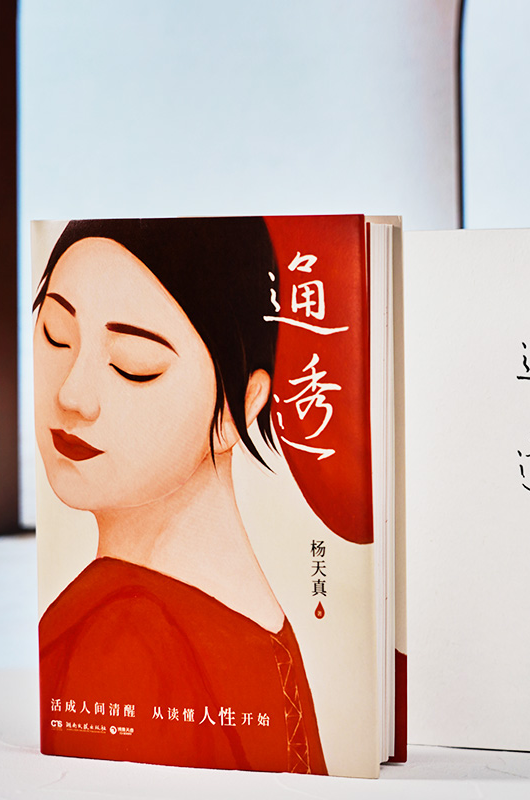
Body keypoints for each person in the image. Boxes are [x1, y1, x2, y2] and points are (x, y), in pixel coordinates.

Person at [34, 217, 327, 774]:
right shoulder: (261, 625)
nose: (71, 394)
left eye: (133, 366)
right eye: (55, 335)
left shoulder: (123, 630)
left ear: (239, 408)